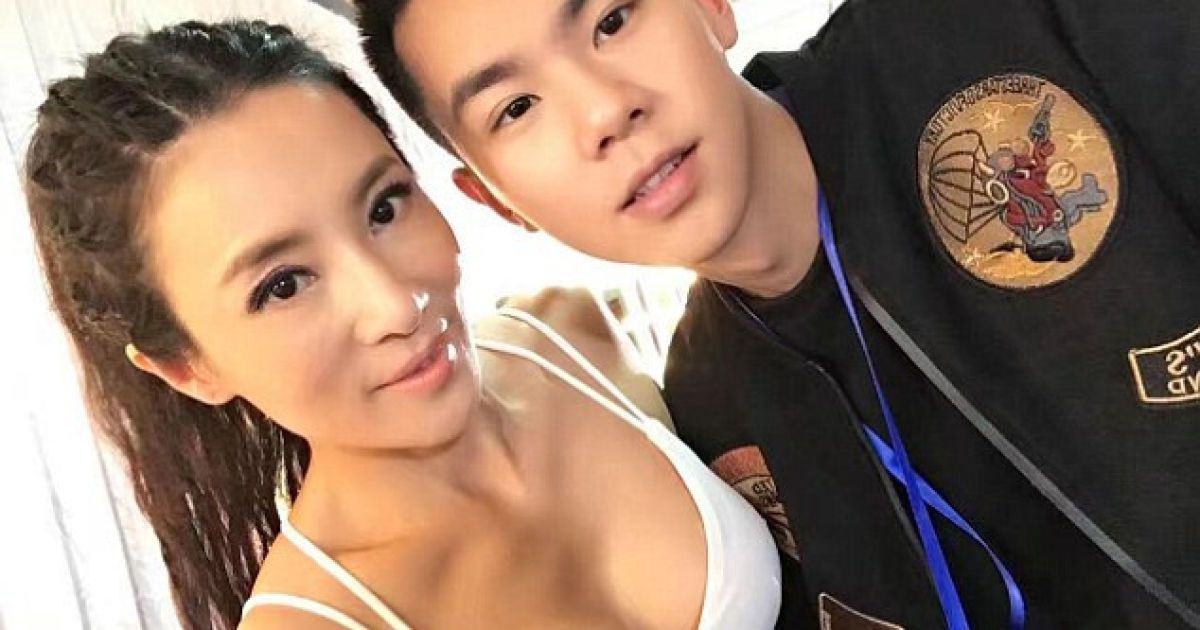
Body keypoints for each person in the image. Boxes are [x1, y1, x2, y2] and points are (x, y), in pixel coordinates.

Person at [353, 0, 1200, 627]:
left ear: (710, 7)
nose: (605, 112)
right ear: (498, 201)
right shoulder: (711, 416)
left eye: (611, 19)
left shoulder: (1000, 33)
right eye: (516, 108)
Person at [23, 19, 782, 630]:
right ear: (187, 367)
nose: (394, 305)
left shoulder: (578, 337)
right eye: (283, 285)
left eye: (384, 207)